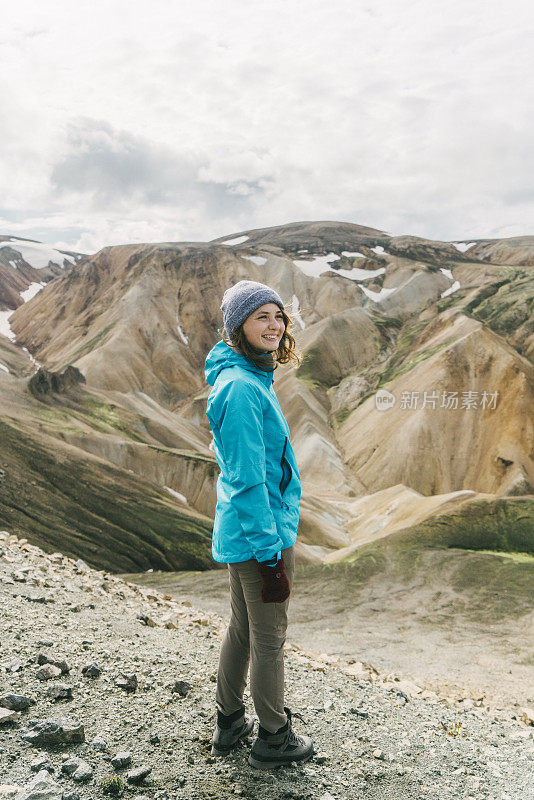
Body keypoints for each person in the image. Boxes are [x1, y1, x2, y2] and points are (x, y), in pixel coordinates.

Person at [203, 279, 315, 769]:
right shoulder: (243, 390)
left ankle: (229, 721)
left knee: (244, 629)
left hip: (245, 530)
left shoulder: (244, 378)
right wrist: (271, 556)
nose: (273, 326)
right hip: (259, 535)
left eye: (277, 315)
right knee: (269, 639)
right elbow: (249, 482)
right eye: (260, 317)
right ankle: (273, 736)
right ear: (238, 329)